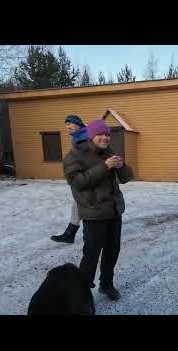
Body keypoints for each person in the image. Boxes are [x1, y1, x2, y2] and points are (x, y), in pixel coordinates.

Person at [63, 119, 134, 301]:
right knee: (91, 255)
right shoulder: (75, 155)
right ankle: (82, 293)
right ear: (91, 135)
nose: (105, 138)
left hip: (113, 212)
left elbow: (126, 178)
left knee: (112, 252)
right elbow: (78, 183)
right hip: (93, 213)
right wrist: (105, 166)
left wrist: (121, 166)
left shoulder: (109, 152)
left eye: (107, 135)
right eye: (100, 134)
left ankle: (106, 285)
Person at [51, 115, 87, 244]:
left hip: (87, 177)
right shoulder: (78, 136)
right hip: (82, 177)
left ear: (78, 124)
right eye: (66, 124)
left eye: (70, 123)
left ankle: (72, 234)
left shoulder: (85, 137)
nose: (67, 127)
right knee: (77, 205)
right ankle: (70, 234)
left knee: (84, 206)